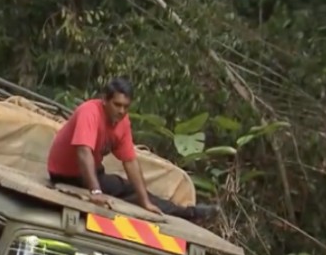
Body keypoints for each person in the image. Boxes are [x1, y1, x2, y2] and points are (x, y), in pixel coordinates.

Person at [46, 78, 218, 224]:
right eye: (117, 105)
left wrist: (144, 201)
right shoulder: (89, 112)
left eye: (126, 107)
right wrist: (95, 191)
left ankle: (187, 212)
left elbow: (130, 162)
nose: (121, 111)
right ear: (104, 100)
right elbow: (83, 152)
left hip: (92, 173)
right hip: (65, 173)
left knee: (130, 189)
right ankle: (186, 212)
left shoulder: (122, 122)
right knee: (121, 187)